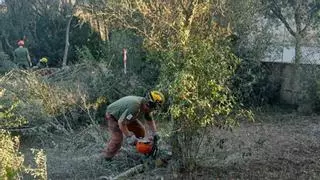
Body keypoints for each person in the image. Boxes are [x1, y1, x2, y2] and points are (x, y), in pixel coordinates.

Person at [102, 90, 165, 161]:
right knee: (117, 140)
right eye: (154, 106)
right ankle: (107, 158)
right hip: (113, 116)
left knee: (140, 130)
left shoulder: (146, 106)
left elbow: (149, 120)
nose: (153, 109)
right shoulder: (135, 106)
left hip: (125, 116)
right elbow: (121, 123)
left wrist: (154, 133)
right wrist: (129, 136)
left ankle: (142, 149)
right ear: (149, 103)